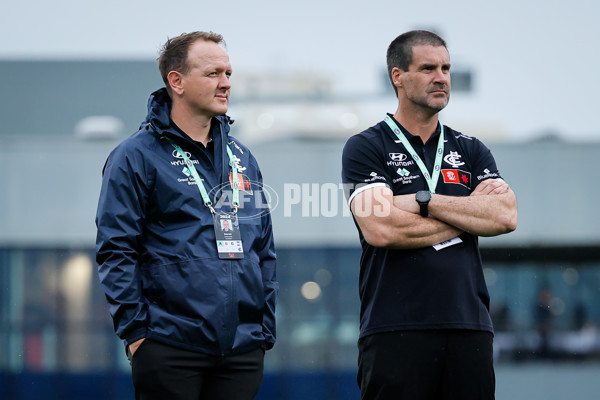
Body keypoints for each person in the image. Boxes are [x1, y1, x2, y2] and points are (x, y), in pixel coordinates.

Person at [95, 31, 277, 400]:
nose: (225, 83)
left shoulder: (242, 158)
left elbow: (263, 248)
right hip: (168, 345)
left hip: (242, 350)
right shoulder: (135, 156)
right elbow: (116, 249)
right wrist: (138, 335)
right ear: (175, 81)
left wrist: (263, 328)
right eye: (213, 74)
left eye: (228, 73)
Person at [341, 30, 518, 400]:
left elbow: (504, 216)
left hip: (469, 327)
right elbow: (381, 227)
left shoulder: (471, 149)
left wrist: (420, 199)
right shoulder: (366, 146)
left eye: (446, 68)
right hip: (394, 328)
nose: (441, 77)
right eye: (427, 68)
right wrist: (467, 212)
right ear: (398, 76)